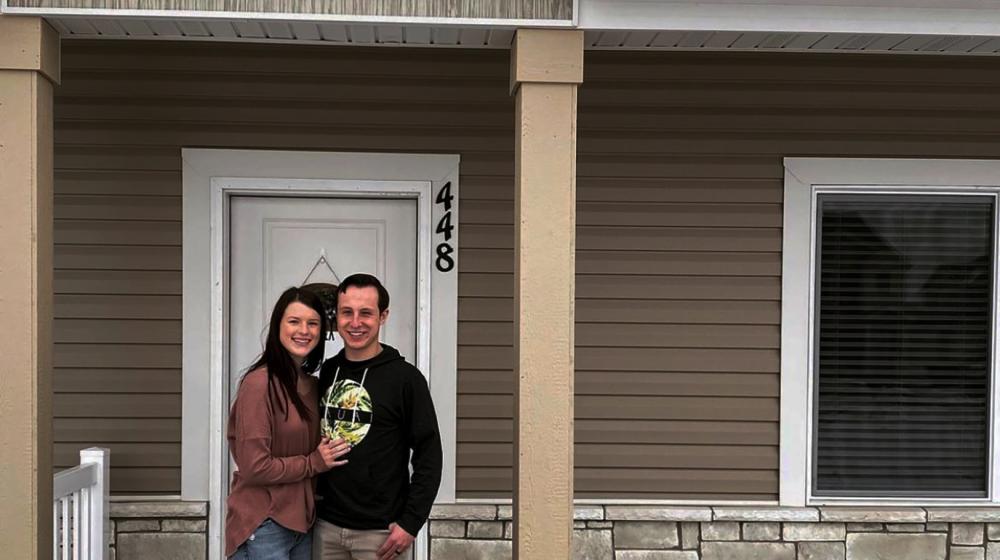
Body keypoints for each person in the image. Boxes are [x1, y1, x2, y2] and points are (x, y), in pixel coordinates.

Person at [314, 274, 443, 560]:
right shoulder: (327, 372)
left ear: (383, 316)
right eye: (347, 312)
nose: (355, 322)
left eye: (366, 313)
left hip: (381, 534)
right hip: (326, 528)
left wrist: (411, 522)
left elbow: (429, 454)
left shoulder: (406, 379)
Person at [226, 287, 352, 560]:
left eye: (313, 323)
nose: (303, 330)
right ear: (278, 326)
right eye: (294, 321)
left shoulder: (313, 386)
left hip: (303, 523)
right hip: (264, 522)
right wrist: (313, 463)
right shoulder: (259, 384)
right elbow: (255, 466)